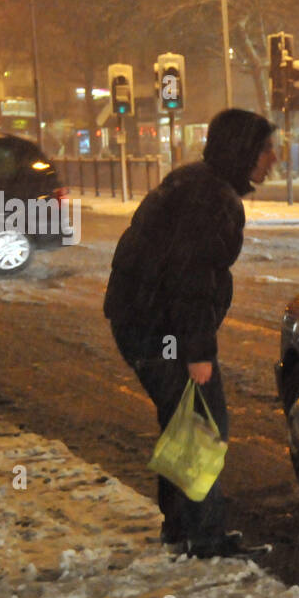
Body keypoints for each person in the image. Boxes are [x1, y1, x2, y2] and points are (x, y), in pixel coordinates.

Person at [103, 108, 277, 557]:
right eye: (264, 150)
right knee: (203, 425)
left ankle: (181, 529)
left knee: (182, 425)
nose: (272, 159)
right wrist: (197, 352)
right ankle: (204, 537)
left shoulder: (196, 182)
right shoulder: (211, 200)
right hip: (161, 329)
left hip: (142, 322)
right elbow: (190, 281)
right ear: (243, 152)